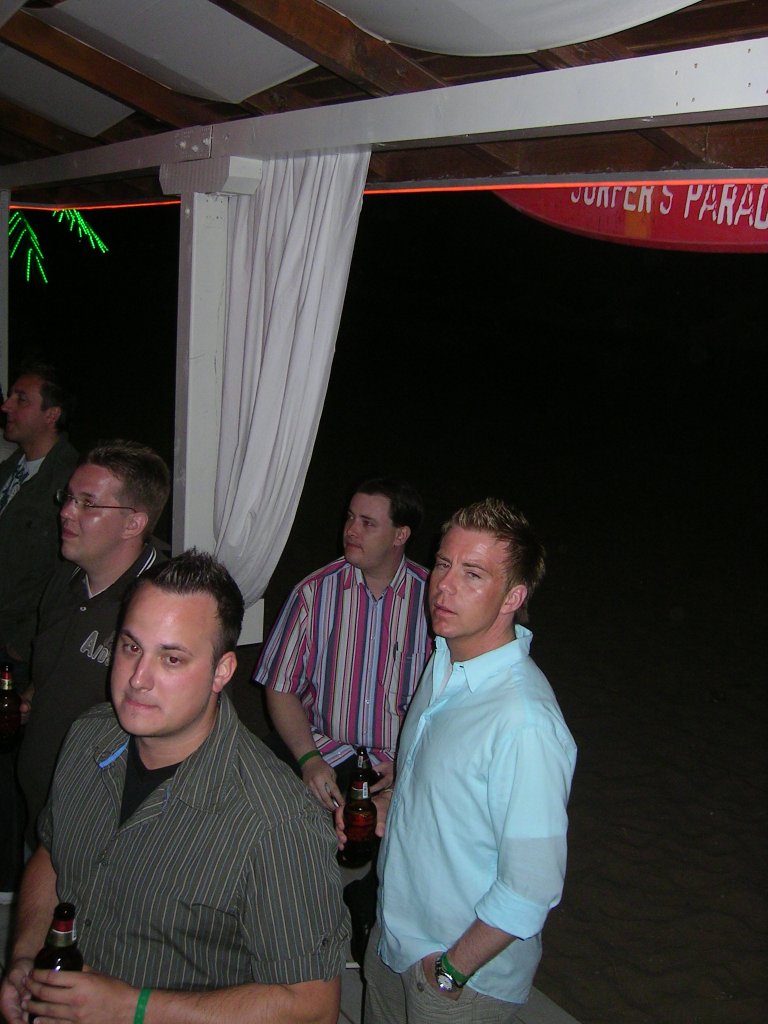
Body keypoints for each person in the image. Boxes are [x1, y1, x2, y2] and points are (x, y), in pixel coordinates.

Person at [0, 550, 348, 1024]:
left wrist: (131, 1008)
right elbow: (52, 852)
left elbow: (313, 1006)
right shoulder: (87, 736)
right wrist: (25, 955)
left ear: (222, 672)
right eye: (130, 647)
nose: (137, 679)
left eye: (172, 658)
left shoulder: (277, 823)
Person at [339, 498, 577, 1023]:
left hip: (457, 980)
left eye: (473, 574)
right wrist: (392, 803)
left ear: (513, 596)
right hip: (392, 938)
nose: (444, 586)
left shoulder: (524, 725)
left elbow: (532, 888)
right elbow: (441, 785)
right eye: (443, 564)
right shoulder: (445, 659)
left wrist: (448, 972)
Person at [17, 440, 170, 848]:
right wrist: (35, 695)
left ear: (133, 523)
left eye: (88, 503)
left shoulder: (161, 610)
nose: (66, 512)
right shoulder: (66, 578)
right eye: (68, 498)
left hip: (95, 831)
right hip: (39, 808)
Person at [254, 477, 432, 810]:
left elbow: (454, 702)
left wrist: (412, 761)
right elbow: (279, 686)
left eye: (367, 523)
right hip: (322, 747)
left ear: (400, 535)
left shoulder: (434, 602)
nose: (351, 530)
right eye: (350, 517)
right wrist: (308, 759)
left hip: (400, 759)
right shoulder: (313, 593)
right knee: (250, 791)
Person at [0, 364, 78, 677]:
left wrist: (25, 640)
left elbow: (71, 573)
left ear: (51, 415)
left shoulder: (70, 483)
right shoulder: (10, 470)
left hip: (16, 646)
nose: (6, 406)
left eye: (21, 399)